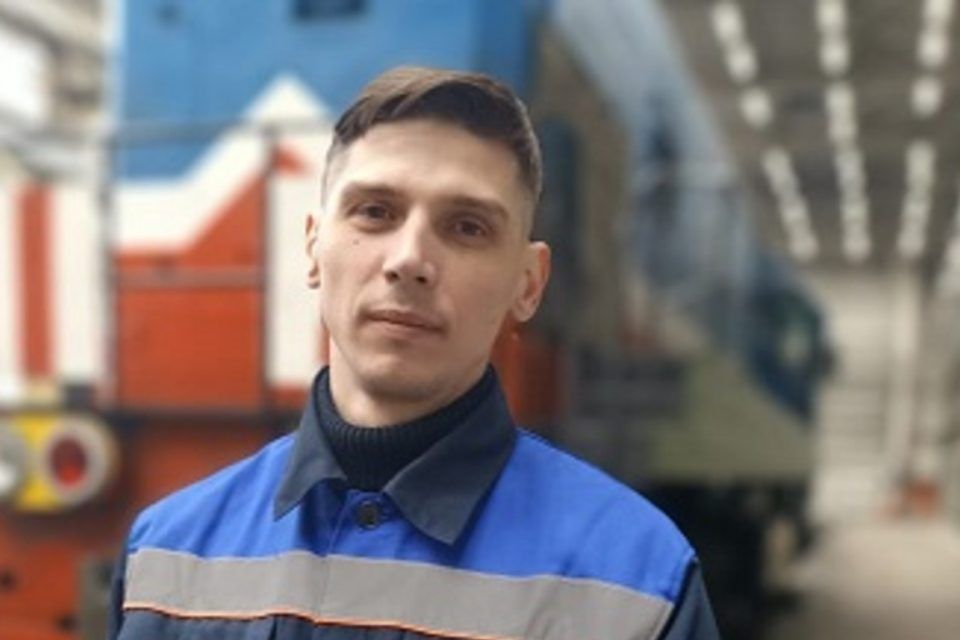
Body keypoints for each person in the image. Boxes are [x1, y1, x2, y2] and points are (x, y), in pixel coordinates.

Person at [107, 66, 719, 640]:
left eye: (467, 227)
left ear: (528, 284)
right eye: (375, 212)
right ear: (314, 246)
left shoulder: (639, 584)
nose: (409, 260)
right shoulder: (164, 557)